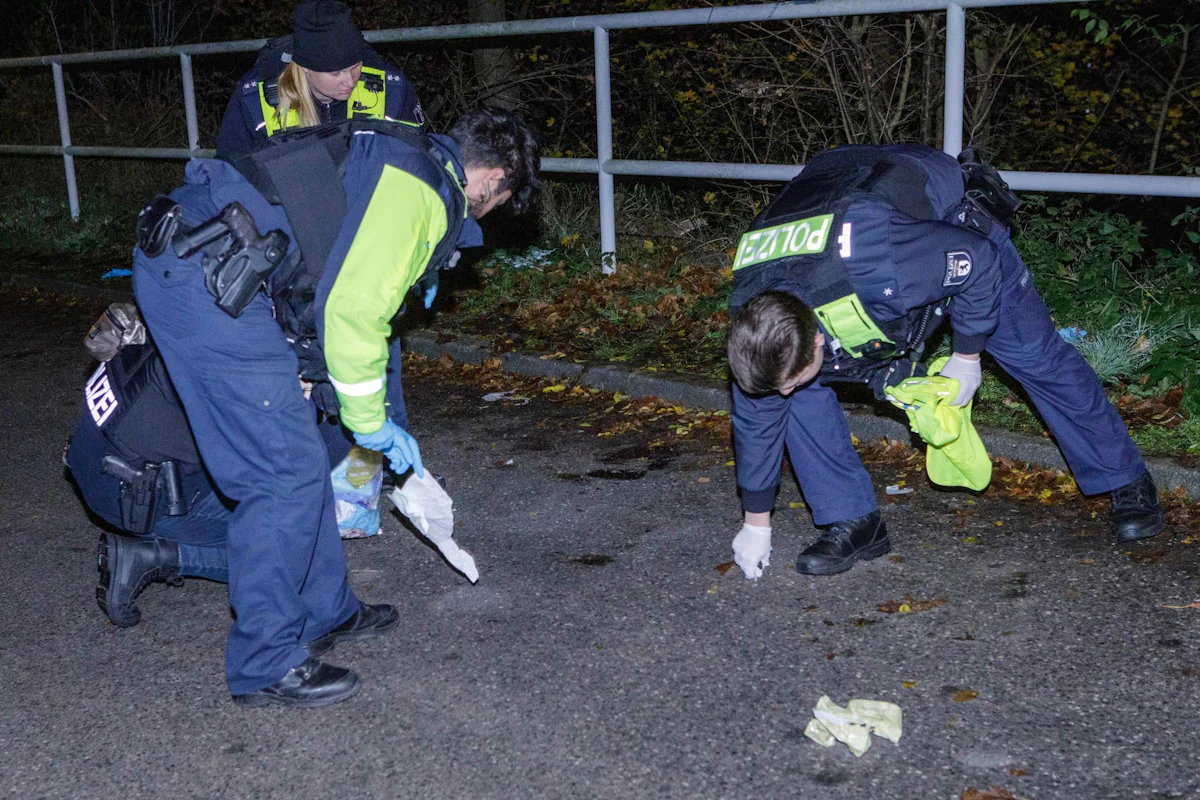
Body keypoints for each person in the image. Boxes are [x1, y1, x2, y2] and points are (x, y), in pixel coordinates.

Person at [123, 107, 539, 707]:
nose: (491, 213)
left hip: (216, 268)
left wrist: (336, 393)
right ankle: (265, 662)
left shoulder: (404, 158)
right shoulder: (421, 191)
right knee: (282, 474)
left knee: (300, 459)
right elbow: (352, 312)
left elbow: (320, 271)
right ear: (494, 179)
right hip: (205, 280)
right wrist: (372, 425)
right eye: (499, 202)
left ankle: (325, 611)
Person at [725, 143, 1163, 580]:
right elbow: (757, 417)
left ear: (819, 335)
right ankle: (854, 521)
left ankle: (1125, 478)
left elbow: (976, 261)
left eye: (792, 373)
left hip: (936, 216)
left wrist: (966, 355)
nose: (782, 389)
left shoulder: (880, 258)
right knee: (796, 390)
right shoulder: (754, 311)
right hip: (840, 211)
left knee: (1032, 353)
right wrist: (755, 522)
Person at [215, 0, 425, 157]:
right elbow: (229, 171)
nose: (350, 81)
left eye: (355, 67)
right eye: (335, 73)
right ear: (305, 67)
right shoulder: (255, 100)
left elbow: (418, 158)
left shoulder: (392, 89)